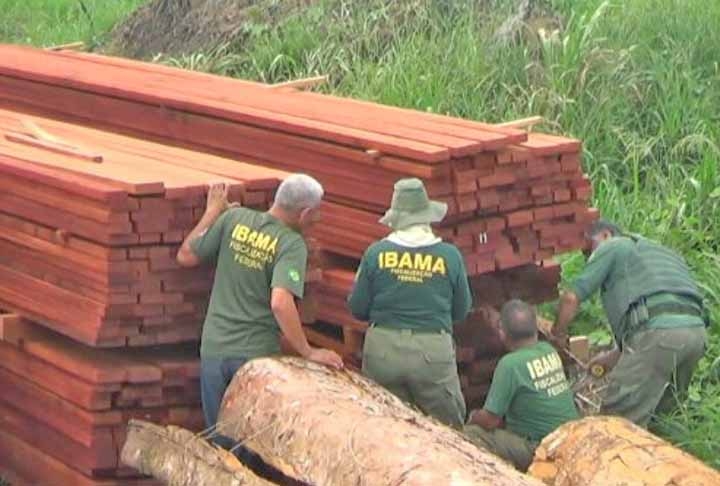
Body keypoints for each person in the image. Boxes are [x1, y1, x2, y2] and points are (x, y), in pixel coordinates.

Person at [177, 175, 344, 449]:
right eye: (318, 213)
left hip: (215, 348)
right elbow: (280, 301)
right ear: (305, 213)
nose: (319, 219)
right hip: (254, 357)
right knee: (250, 447)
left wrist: (211, 212)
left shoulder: (234, 220)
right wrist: (308, 351)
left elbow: (186, 255)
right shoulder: (291, 244)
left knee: (218, 446)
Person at [552, 219, 708, 427]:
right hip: (696, 334)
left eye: (589, 251)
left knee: (617, 424)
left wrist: (558, 335)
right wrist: (612, 357)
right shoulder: (661, 253)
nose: (589, 258)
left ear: (606, 235)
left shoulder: (614, 245)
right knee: (663, 418)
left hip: (658, 335)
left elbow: (571, 298)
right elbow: (659, 310)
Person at [347, 178, 472, 428]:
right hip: (431, 352)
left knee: (385, 426)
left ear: (396, 218)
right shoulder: (449, 256)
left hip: (383, 350)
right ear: (427, 215)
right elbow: (462, 310)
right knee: (449, 432)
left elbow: (357, 309)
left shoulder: (376, 253)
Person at [465, 299, 579, 471]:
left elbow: (490, 421)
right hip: (570, 441)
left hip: (541, 449)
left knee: (471, 433)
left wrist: (472, 417)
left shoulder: (509, 365)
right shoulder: (548, 350)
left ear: (502, 333)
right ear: (535, 328)